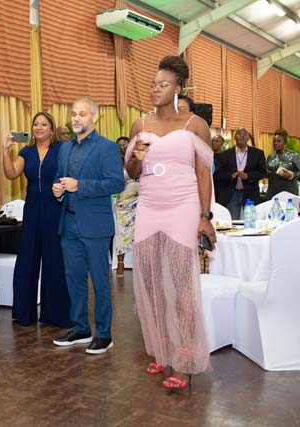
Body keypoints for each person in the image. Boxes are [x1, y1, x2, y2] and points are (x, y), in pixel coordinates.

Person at [125, 55, 214, 390]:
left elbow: (203, 173)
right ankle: (161, 350)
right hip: (149, 205)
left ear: (178, 89)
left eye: (162, 84)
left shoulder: (195, 124)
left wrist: (205, 217)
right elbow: (132, 173)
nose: (155, 89)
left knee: (181, 285)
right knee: (150, 283)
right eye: (152, 84)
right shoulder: (140, 124)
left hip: (182, 206)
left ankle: (186, 359)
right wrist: (136, 158)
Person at [51, 97, 124, 354]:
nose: (76, 118)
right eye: (73, 114)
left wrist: (80, 186)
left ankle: (104, 334)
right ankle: (81, 328)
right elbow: (59, 178)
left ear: (94, 117)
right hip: (69, 222)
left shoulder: (107, 147)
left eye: (82, 114)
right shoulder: (64, 148)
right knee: (74, 279)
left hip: (95, 226)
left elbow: (116, 183)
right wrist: (58, 190)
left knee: (100, 282)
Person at [1, 112, 70, 328]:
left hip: (55, 209)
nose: (39, 127)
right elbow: (11, 173)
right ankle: (24, 313)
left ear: (52, 129)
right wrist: (5, 150)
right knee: (27, 259)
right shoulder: (26, 151)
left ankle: (56, 314)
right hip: (31, 210)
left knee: (54, 260)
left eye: (44, 124)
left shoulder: (61, 149)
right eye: (36, 124)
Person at [214, 128, 267, 220]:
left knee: (250, 220)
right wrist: (231, 175)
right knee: (233, 222)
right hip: (231, 193)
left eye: (245, 134)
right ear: (234, 137)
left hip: (251, 193)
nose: (242, 136)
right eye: (239, 134)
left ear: (248, 138)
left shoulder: (258, 153)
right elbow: (219, 174)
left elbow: (262, 172)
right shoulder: (225, 155)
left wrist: (248, 176)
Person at [113, 136, 138, 276]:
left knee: (142, 233)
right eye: (119, 145)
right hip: (124, 201)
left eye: (125, 144)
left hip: (142, 200)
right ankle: (120, 264)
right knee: (122, 233)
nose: (122, 147)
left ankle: (141, 264)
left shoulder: (139, 159)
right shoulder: (115, 162)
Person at [266, 128, 300, 198]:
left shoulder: (293, 155)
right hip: (272, 191)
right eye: (274, 141)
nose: (275, 143)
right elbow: (267, 173)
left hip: (289, 190)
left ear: (285, 142)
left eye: (279, 141)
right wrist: (266, 173)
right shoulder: (271, 156)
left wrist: (292, 175)